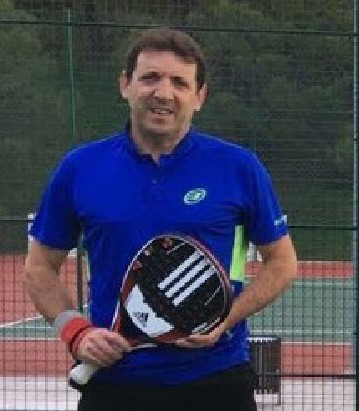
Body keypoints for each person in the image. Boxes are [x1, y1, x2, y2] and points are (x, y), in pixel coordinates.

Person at [24, 27, 297, 411]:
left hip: (217, 381)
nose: (163, 93)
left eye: (180, 83)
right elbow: (39, 266)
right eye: (150, 78)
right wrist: (76, 331)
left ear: (199, 96)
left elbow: (282, 262)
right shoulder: (79, 168)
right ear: (125, 85)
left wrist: (224, 320)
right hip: (114, 385)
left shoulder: (239, 167)